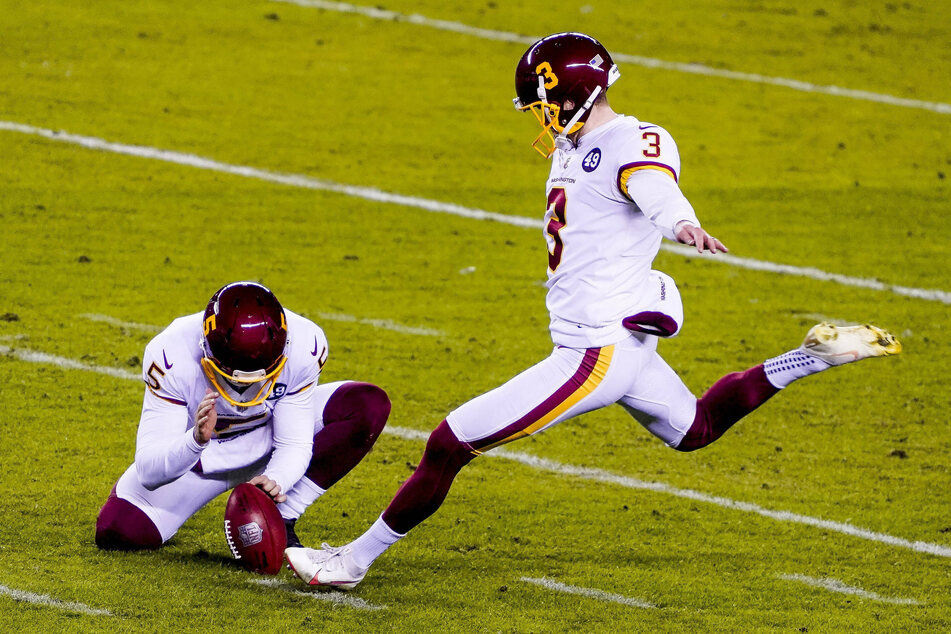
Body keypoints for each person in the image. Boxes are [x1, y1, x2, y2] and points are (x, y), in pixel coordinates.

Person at [284, 32, 901, 589]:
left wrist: (682, 223)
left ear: (573, 93)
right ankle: (810, 358)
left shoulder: (631, 141)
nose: (540, 117)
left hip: (593, 352)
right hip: (623, 344)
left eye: (542, 103)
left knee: (450, 442)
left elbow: (655, 187)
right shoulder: (578, 141)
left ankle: (352, 563)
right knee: (696, 431)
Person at [95, 281, 391, 551]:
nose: (246, 390)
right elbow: (149, 469)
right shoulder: (171, 353)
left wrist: (274, 481)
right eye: (236, 379)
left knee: (366, 405)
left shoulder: (304, 343)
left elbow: (294, 442)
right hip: (198, 460)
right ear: (206, 350)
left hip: (266, 439)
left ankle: (283, 516)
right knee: (119, 532)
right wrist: (195, 440)